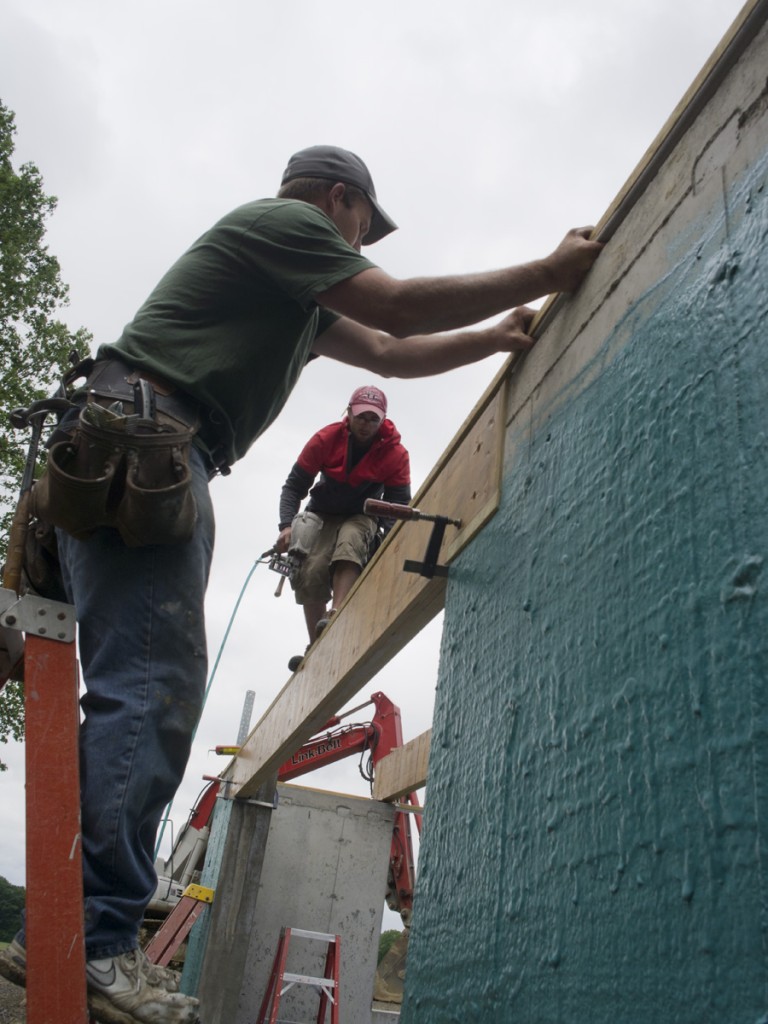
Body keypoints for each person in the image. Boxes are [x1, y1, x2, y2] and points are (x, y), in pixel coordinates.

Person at [0, 144, 603, 1024]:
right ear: (338, 200)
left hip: (137, 445)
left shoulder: (295, 302)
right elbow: (393, 302)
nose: (361, 241)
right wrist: (548, 269)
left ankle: (83, 928)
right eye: (363, 223)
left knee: (139, 690)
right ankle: (93, 939)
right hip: (152, 442)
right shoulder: (285, 226)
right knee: (152, 694)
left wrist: (494, 337)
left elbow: (393, 351)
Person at [276, 384, 411, 660]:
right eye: (361, 416)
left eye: (373, 419)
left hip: (363, 514)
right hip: (323, 513)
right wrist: (286, 526)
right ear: (349, 413)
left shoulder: (395, 454)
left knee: (350, 541)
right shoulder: (326, 439)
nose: (366, 424)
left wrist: (389, 542)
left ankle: (335, 615)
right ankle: (317, 642)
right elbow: (293, 487)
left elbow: (399, 505)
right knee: (311, 570)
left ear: (382, 420)